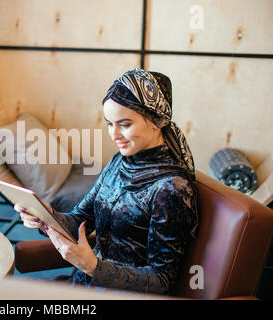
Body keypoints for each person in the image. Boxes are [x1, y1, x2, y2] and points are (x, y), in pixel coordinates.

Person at [15, 68, 199, 295]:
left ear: (156, 121)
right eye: (110, 124)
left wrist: (93, 266)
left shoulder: (171, 189)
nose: (114, 135)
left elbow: (161, 281)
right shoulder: (119, 162)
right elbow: (82, 219)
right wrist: (46, 215)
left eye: (125, 124)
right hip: (88, 284)